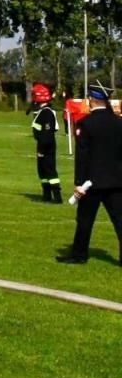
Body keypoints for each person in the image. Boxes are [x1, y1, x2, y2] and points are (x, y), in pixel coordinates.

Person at [56, 85, 122, 264]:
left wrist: (79, 182)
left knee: (85, 220)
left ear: (92, 100)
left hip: (91, 182)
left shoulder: (86, 123)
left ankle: (79, 254)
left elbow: (82, 157)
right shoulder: (118, 122)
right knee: (119, 220)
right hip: (116, 180)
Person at [28, 83, 61, 203]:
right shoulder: (42, 112)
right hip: (43, 145)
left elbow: (47, 134)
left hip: (46, 146)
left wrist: (42, 149)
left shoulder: (47, 113)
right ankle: (46, 195)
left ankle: (57, 197)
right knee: (42, 171)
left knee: (49, 170)